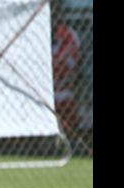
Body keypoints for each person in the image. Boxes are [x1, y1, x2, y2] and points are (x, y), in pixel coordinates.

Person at [51, 1, 81, 136]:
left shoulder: (68, 34)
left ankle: (67, 136)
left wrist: (55, 66)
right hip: (42, 86)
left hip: (63, 86)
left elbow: (68, 64)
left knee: (66, 101)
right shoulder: (33, 34)